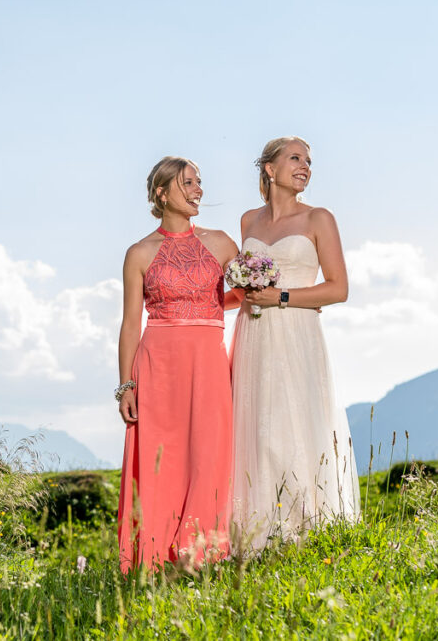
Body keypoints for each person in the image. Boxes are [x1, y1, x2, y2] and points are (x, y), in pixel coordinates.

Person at [230, 136, 360, 552]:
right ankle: (260, 534)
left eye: (308, 160)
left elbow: (338, 289)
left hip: (297, 335)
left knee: (297, 425)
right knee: (257, 430)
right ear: (269, 168)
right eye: (295, 158)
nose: (305, 165)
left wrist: (282, 297)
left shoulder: (318, 218)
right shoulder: (248, 221)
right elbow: (242, 285)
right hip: (253, 335)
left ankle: (310, 531)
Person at [116, 156, 240, 572]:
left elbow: (242, 295)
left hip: (207, 359)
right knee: (162, 458)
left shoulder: (222, 243)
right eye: (188, 183)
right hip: (158, 364)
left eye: (199, 182)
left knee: (210, 453)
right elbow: (131, 324)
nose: (198, 190)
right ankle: (154, 556)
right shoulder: (138, 253)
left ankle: (201, 553)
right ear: (161, 192)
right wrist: (125, 386)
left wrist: (208, 309)